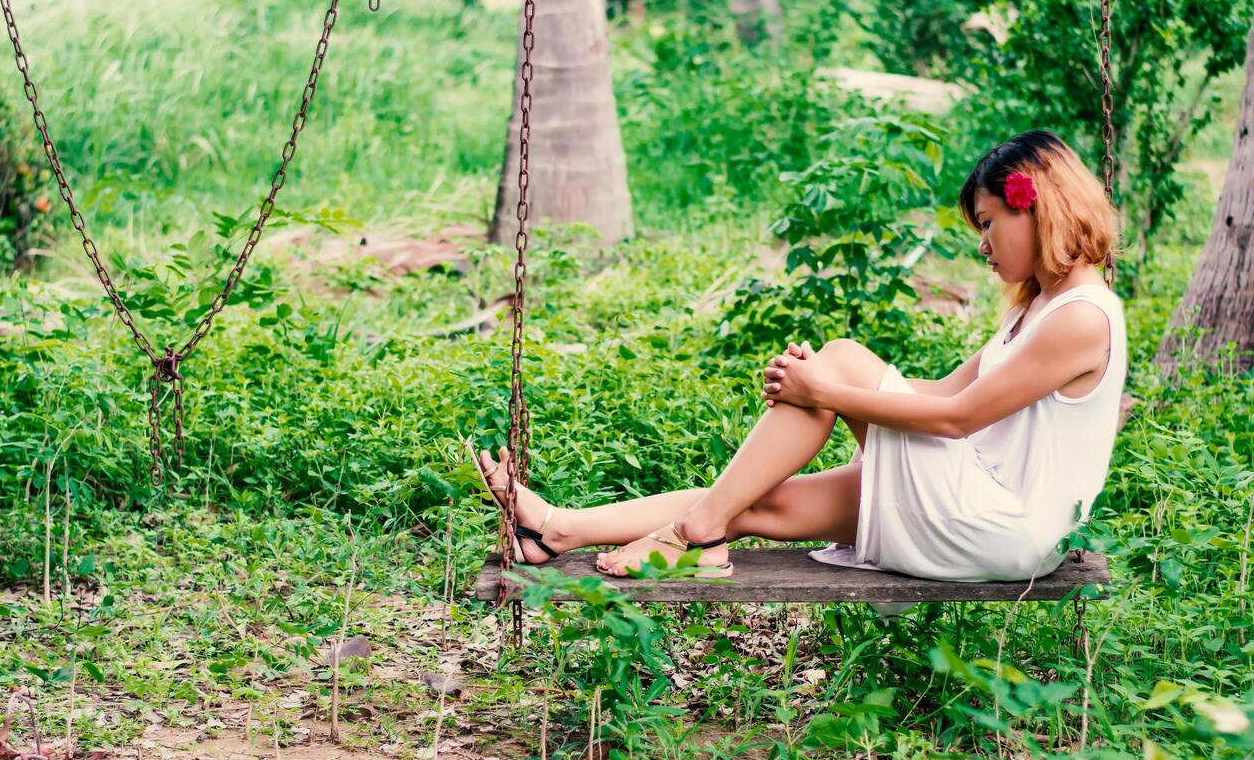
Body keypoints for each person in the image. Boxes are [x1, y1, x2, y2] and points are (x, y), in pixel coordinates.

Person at [468, 130, 1127, 584]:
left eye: (988, 222)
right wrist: (824, 391)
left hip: (1002, 528)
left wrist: (828, 390)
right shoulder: (1038, 306)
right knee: (754, 504)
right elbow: (936, 392)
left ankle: (697, 533)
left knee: (839, 360)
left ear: (1037, 206)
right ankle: (556, 529)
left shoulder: (1082, 318)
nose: (983, 245)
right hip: (969, 500)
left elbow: (957, 419)